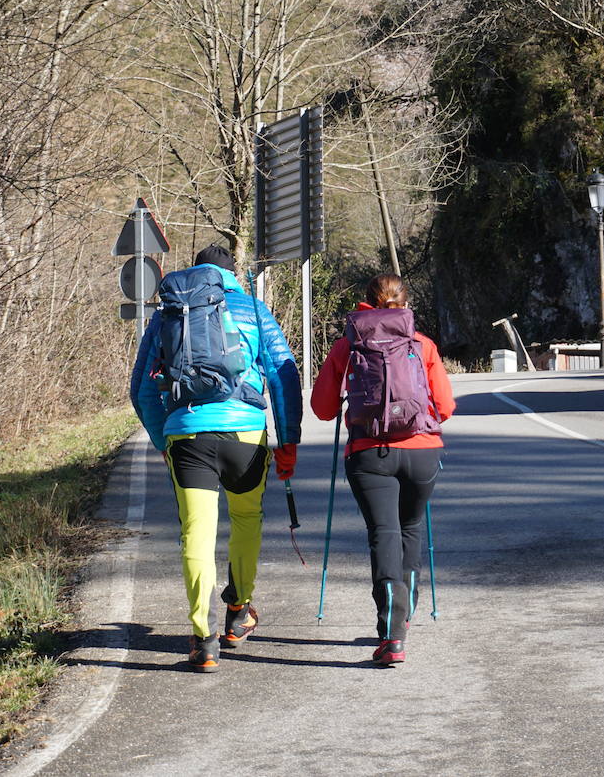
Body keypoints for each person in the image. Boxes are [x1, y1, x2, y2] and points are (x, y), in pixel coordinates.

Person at [131, 244, 302, 672]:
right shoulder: (252, 308)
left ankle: (203, 639)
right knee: (246, 519)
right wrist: (288, 439)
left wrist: (163, 438)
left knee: (197, 533)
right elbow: (283, 373)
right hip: (245, 433)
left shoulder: (171, 312)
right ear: (231, 274)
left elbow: (142, 388)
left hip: (186, 435)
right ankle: (238, 611)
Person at [310, 274, 455, 665]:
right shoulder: (421, 344)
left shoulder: (348, 344)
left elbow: (322, 409)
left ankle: (391, 632)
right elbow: (445, 406)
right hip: (422, 451)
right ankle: (404, 618)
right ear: (405, 303)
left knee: (384, 534)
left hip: (369, 453)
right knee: (410, 530)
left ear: (366, 303)